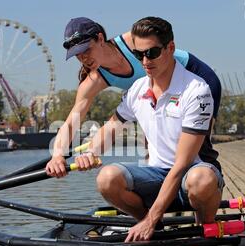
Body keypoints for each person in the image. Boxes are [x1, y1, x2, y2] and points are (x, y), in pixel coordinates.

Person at [71, 17, 224, 246]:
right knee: (106, 178)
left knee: (200, 180)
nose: (145, 61)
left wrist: (153, 216)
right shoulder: (138, 89)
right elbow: (111, 128)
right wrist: (91, 152)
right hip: (156, 175)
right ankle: (146, 224)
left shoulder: (197, 91)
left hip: (192, 173)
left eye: (152, 53)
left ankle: (204, 228)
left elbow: (181, 164)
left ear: (170, 48)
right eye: (139, 54)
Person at [46, 17, 221, 177]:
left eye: (87, 50)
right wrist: (57, 156)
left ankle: (209, 184)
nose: (83, 58)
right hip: (158, 94)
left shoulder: (132, 40)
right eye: (77, 54)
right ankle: (162, 192)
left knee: (197, 147)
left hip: (197, 78)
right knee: (153, 151)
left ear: (100, 38)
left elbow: (163, 39)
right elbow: (72, 121)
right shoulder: (93, 81)